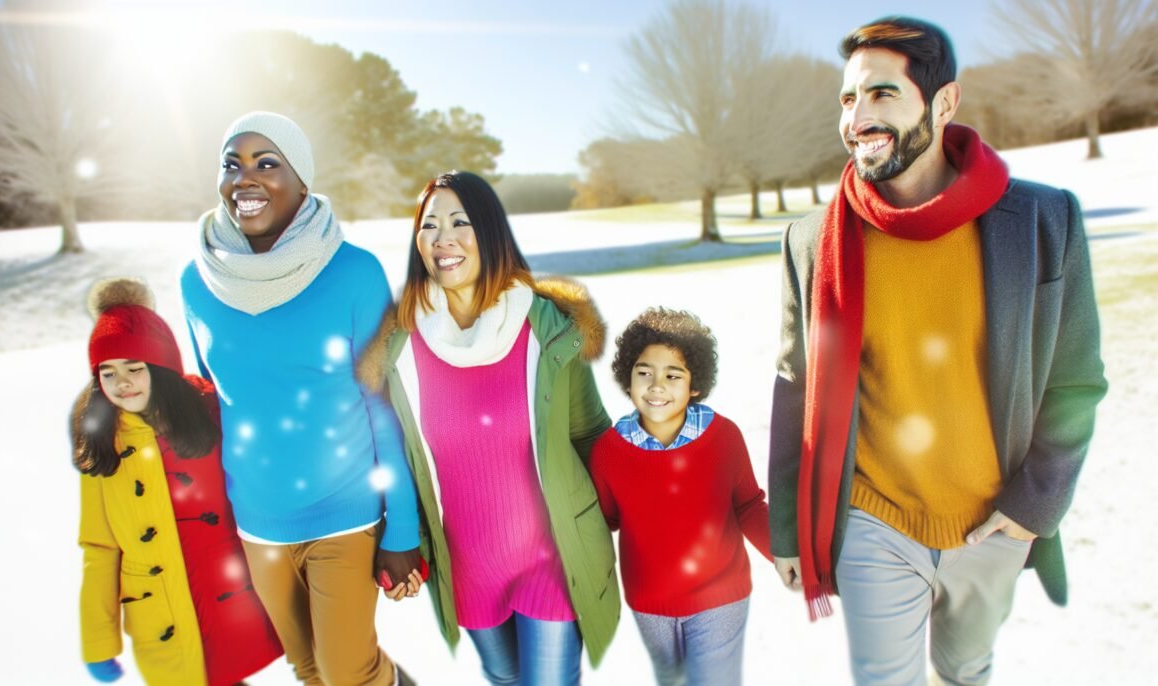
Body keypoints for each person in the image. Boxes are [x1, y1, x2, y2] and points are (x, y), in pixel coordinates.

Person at [766, 16, 1108, 685]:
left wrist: (1030, 507)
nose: (857, 117)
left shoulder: (1043, 221)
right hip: (872, 517)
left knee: (966, 668)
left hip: (994, 523)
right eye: (848, 99)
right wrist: (788, 526)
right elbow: (794, 386)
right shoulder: (811, 242)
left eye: (881, 94)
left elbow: (1074, 382)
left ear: (945, 102)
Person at [181, 112, 422, 686]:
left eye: (268, 163)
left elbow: (382, 405)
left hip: (346, 514)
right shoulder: (197, 280)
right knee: (310, 667)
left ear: (302, 181)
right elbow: (215, 399)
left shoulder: (355, 272)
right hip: (258, 524)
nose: (246, 178)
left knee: (349, 671)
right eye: (232, 164)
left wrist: (403, 529)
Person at [357, 170, 620, 685]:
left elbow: (590, 433)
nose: (443, 238)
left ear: (491, 232)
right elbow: (394, 461)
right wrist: (397, 540)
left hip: (552, 557)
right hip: (469, 569)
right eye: (429, 225)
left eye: (460, 221)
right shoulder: (400, 350)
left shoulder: (548, 329)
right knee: (504, 680)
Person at [72, 277, 282, 685]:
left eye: (134, 368)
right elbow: (99, 547)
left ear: (162, 368)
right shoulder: (102, 443)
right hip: (159, 613)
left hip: (230, 596)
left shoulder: (209, 414)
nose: (122, 383)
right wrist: (99, 642)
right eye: (108, 373)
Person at [589, 308, 772, 686]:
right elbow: (604, 521)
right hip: (648, 604)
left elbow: (750, 506)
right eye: (645, 373)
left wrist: (789, 553)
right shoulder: (608, 450)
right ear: (628, 378)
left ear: (694, 386)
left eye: (673, 375)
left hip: (720, 597)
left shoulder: (723, 437)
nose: (657, 386)